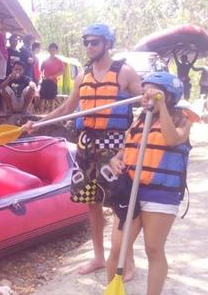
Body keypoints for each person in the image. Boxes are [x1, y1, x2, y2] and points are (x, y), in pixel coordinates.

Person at [23, 23, 142, 279]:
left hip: (115, 146)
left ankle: (126, 261)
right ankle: (99, 257)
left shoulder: (125, 73)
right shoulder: (83, 76)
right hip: (87, 144)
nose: (89, 47)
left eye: (95, 42)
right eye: (86, 42)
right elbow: (67, 108)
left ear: (107, 43)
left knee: (121, 204)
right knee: (91, 202)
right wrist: (38, 122)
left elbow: (147, 102)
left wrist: (152, 104)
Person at [106, 72, 193, 295]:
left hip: (161, 194)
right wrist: (115, 159)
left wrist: (160, 106)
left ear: (169, 96)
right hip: (131, 192)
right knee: (117, 248)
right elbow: (126, 150)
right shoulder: (139, 120)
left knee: (153, 249)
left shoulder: (183, 119)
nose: (147, 96)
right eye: (146, 92)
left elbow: (173, 139)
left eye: (154, 92)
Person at [40, 42, 65, 113]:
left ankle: (52, 114)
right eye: (51, 50)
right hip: (45, 81)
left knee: (52, 98)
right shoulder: (45, 61)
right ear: (49, 50)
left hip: (53, 81)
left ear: (56, 51)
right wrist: (42, 76)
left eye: (54, 50)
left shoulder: (59, 61)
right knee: (42, 98)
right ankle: (41, 114)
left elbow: (62, 72)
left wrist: (53, 76)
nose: (52, 52)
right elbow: (41, 70)